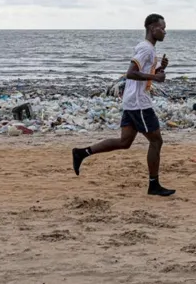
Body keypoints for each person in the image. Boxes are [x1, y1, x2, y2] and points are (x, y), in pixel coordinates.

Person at [72, 14, 175, 196]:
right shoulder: (146, 49)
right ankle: (153, 185)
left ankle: (82, 153)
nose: (165, 32)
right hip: (139, 103)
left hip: (131, 100)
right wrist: (156, 76)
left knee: (125, 141)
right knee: (156, 141)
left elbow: (143, 75)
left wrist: (161, 70)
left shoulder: (148, 50)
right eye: (162, 28)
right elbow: (131, 73)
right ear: (152, 28)